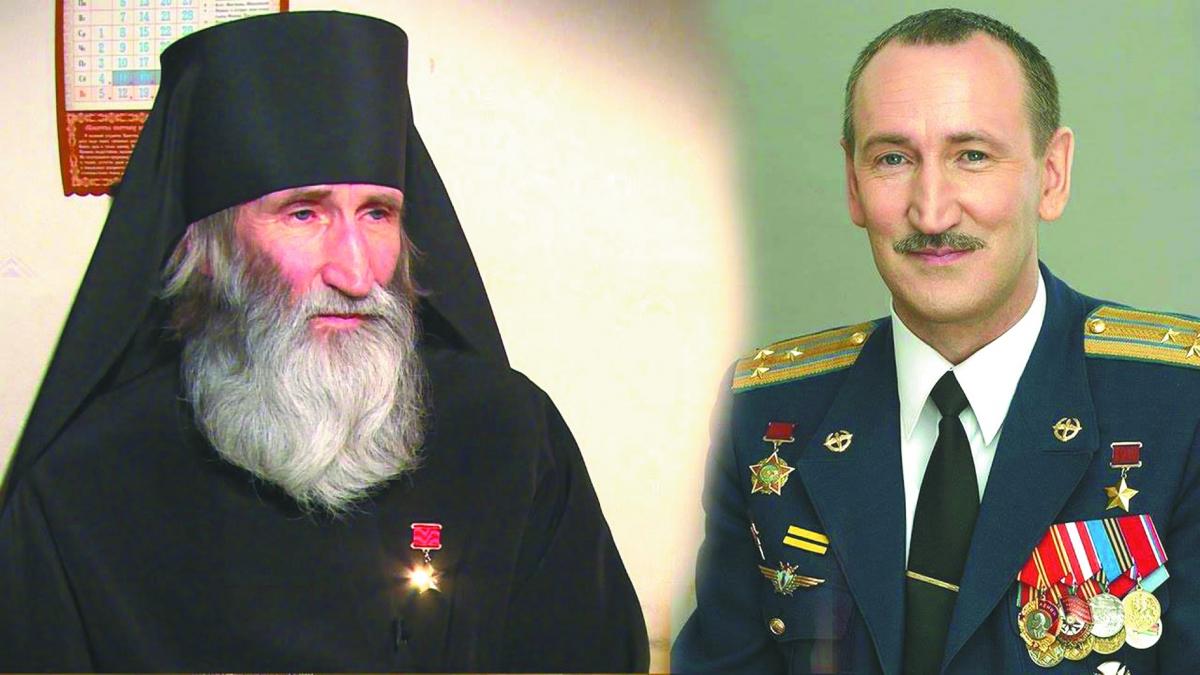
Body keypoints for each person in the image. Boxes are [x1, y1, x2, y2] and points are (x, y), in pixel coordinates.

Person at [0, 12, 648, 672]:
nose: (357, 273)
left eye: (377, 214)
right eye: (304, 214)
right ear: (208, 250)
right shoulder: (78, 493)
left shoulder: (510, 437)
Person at [673, 8, 1197, 674]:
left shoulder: (1178, 405)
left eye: (971, 156)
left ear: (1052, 174)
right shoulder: (767, 414)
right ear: (853, 184)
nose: (932, 210)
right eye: (893, 158)